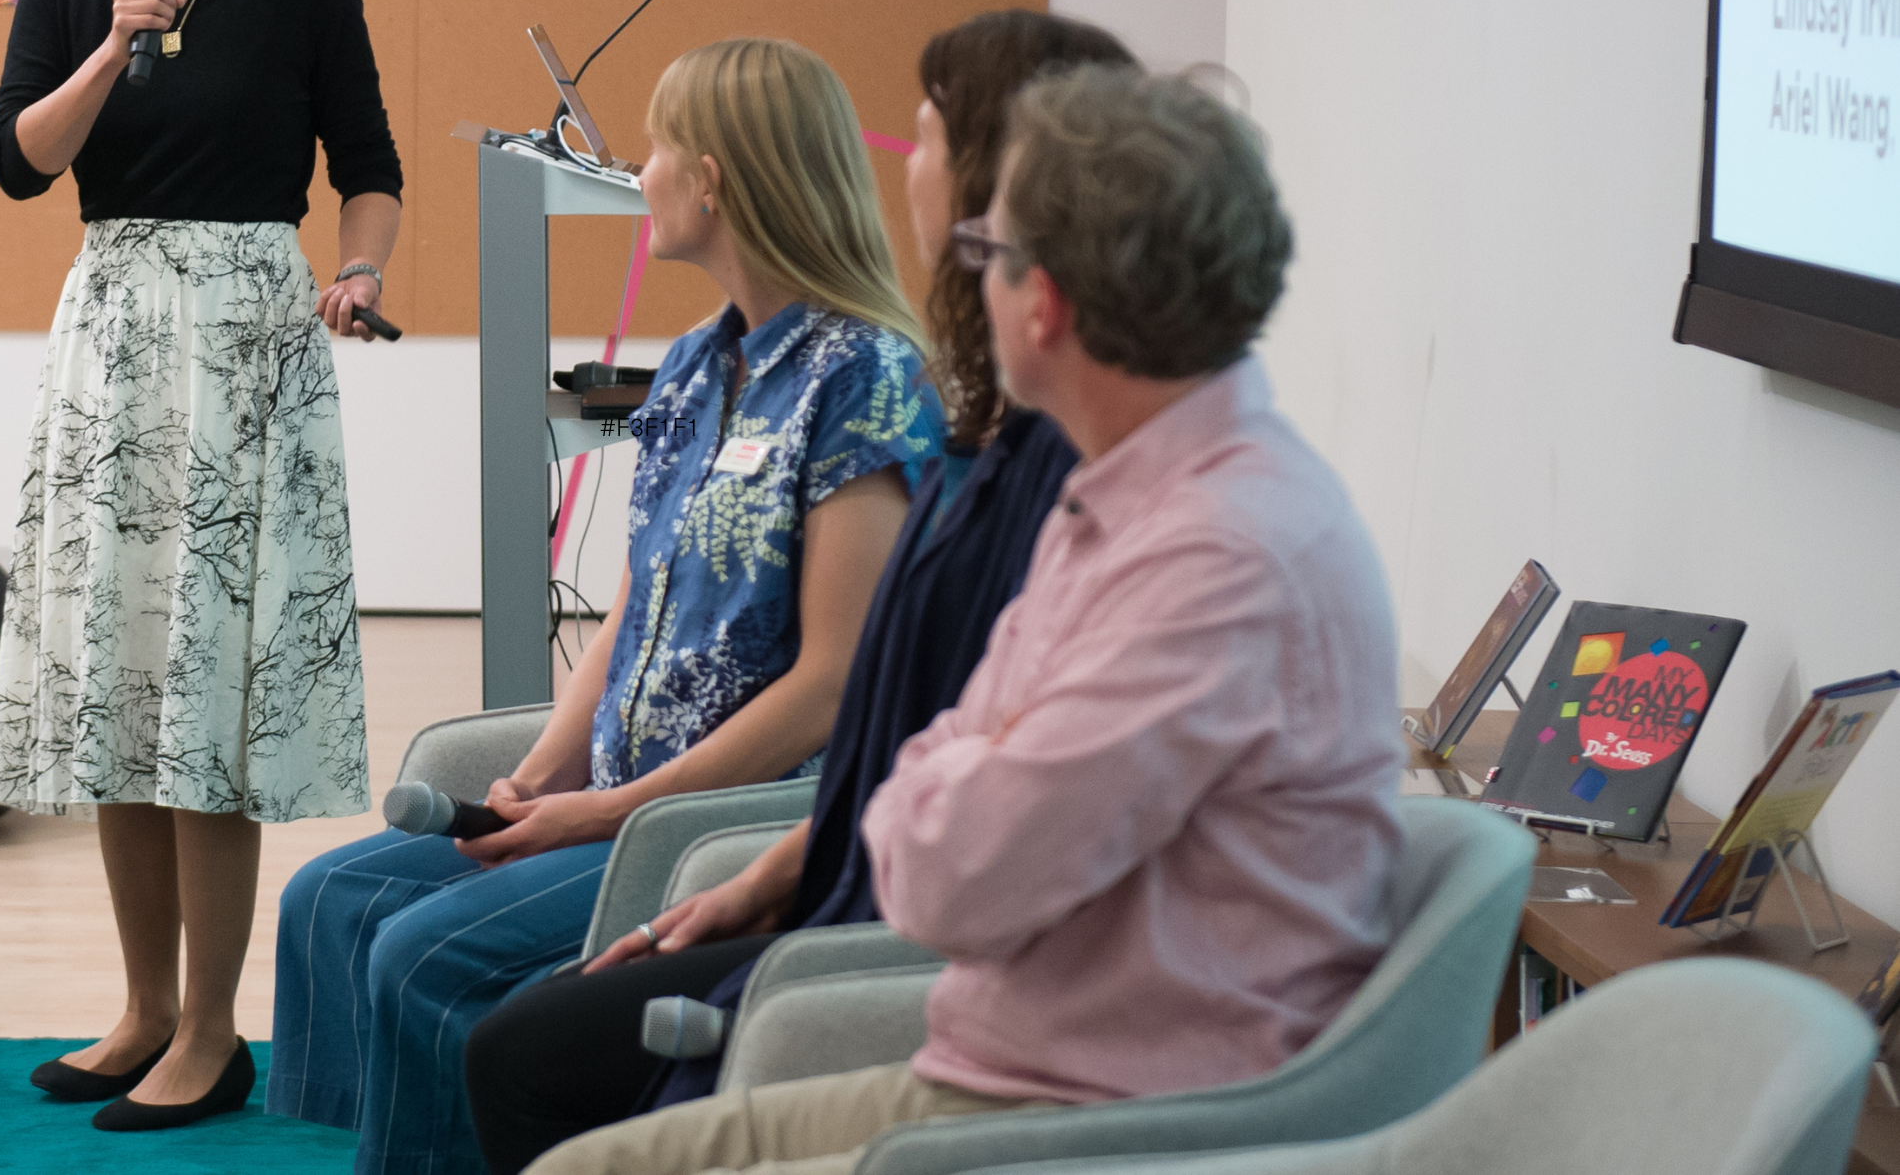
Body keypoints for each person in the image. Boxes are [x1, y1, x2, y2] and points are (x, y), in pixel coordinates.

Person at [527, 64, 1407, 1175]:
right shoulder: (1137, 498)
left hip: (1102, 1118)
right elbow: (947, 764)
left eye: (985, 256)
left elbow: (945, 878)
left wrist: (942, 782)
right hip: (1014, 1068)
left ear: (1044, 303)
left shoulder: (1212, 555)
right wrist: (947, 778)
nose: (961, 283)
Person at [459, 11, 1134, 1175]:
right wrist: (770, 871)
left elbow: (928, 741)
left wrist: (735, 854)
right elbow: (944, 729)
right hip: (816, 867)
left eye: (921, 140)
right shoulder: (1009, 443)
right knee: (433, 969)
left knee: (504, 1036)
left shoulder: (968, 427)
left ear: (1004, 204)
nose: (902, 173)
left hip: (912, 943)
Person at [267, 38, 945, 1175]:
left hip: (718, 814)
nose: (642, 171)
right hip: (618, 789)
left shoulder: (863, 377)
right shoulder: (690, 365)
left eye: (658, 147)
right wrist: (547, 767)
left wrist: (608, 809)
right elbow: (633, 599)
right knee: (327, 903)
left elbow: (835, 681)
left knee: (422, 959)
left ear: (715, 178)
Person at [0, 0, 403, 1132]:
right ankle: (143, 1009)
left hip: (248, 336)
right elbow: (20, 164)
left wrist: (359, 272)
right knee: (119, 684)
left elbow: (372, 162)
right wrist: (111, 43)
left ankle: (214, 1033)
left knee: (206, 696)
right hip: (111, 332)